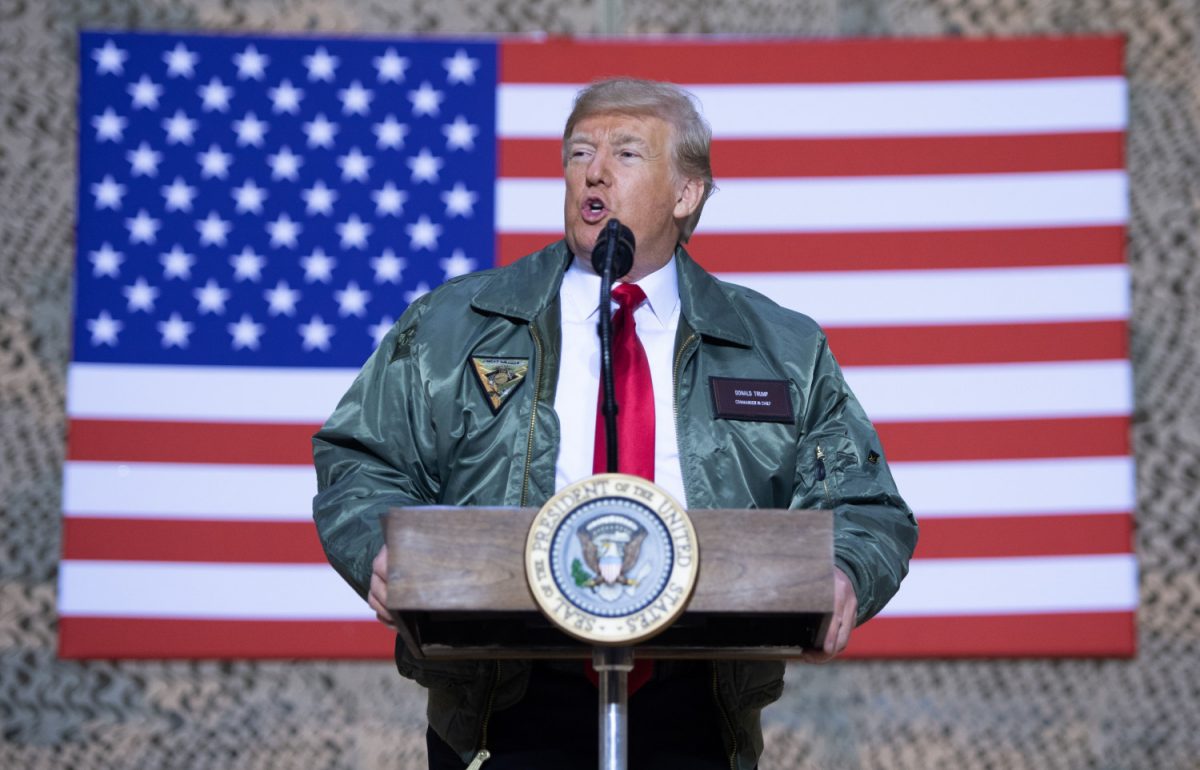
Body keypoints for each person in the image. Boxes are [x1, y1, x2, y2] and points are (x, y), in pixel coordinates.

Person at [313, 78, 917, 770]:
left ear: (687, 193)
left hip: (696, 710)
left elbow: (866, 507)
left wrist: (843, 574)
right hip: (504, 709)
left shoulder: (780, 347)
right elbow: (361, 459)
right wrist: (378, 550)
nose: (594, 171)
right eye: (579, 153)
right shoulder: (453, 327)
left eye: (626, 153)